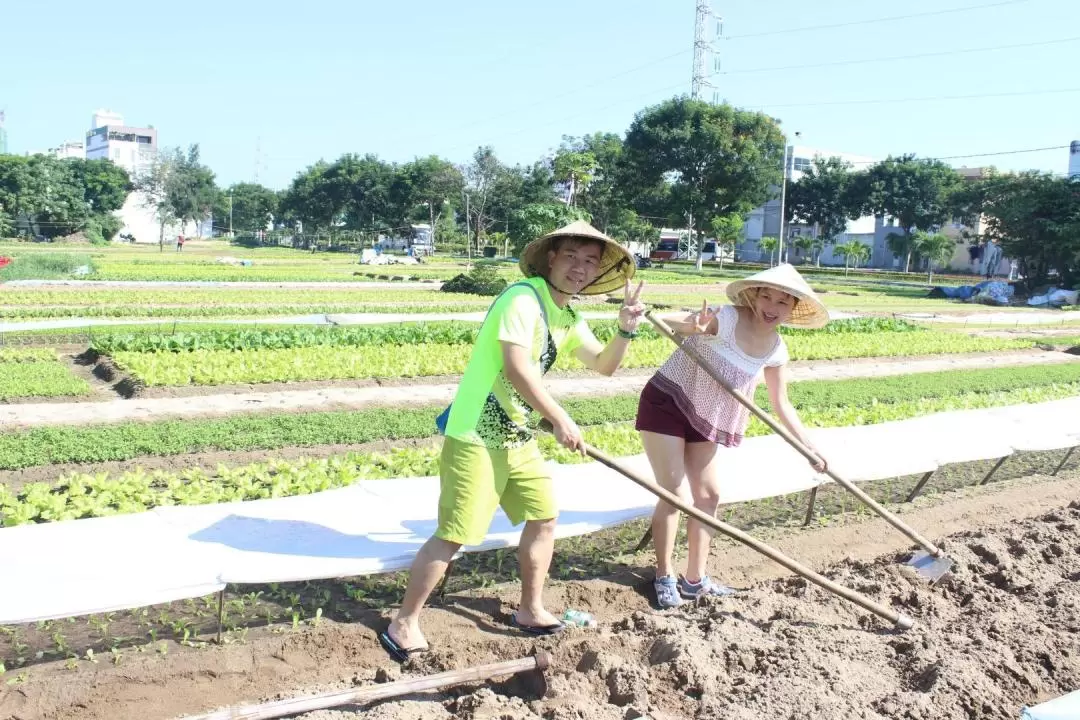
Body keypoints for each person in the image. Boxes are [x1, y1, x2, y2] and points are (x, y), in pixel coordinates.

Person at [381, 221, 645, 661]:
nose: (580, 268)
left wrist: (626, 329)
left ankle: (530, 608)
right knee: (456, 533)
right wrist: (559, 417)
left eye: (590, 261)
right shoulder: (522, 298)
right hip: (475, 435)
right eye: (571, 257)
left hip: (516, 436)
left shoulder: (568, 316)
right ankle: (403, 621)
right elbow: (517, 366)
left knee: (544, 515)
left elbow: (603, 365)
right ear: (550, 259)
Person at [635, 263, 831, 608]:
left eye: (783, 302)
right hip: (668, 401)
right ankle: (663, 576)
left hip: (705, 416)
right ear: (753, 295)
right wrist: (689, 327)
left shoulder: (776, 349)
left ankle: (695, 580)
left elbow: (781, 403)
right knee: (674, 491)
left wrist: (809, 448)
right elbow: (675, 326)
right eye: (765, 296)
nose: (772, 307)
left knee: (709, 496)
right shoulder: (725, 318)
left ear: (793, 308)